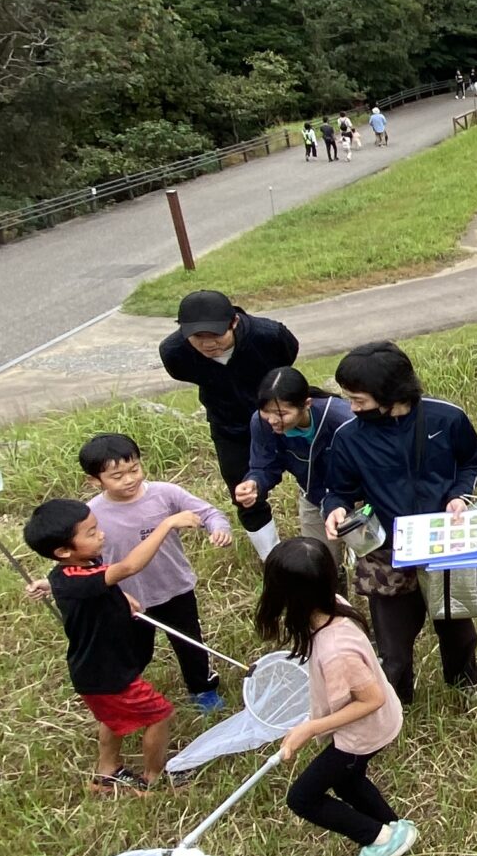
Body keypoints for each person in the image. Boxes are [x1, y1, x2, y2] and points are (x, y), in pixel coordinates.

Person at [319, 342, 477, 706]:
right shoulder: (349, 437)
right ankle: (395, 705)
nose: (352, 407)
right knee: (392, 643)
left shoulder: (447, 418)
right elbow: (339, 489)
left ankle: (465, 687)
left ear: (390, 393)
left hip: (445, 544)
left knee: (457, 627)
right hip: (386, 550)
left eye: (359, 399)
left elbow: (471, 461)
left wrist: (459, 495)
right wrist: (335, 508)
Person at [256, 538, 415, 856]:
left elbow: (369, 699)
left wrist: (312, 727)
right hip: (372, 722)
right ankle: (395, 828)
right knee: (348, 781)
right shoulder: (334, 606)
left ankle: (380, 839)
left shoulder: (336, 649)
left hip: (362, 732)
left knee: (303, 797)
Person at [25, 496, 205, 793]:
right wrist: (168, 523)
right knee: (160, 715)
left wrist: (120, 598)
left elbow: (86, 583)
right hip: (107, 672)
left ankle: (106, 772)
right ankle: (153, 779)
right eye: (92, 533)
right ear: (62, 551)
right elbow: (129, 567)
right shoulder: (78, 578)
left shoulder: (76, 568)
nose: (102, 535)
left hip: (96, 669)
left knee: (111, 717)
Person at [78, 433, 235, 712]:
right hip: (128, 598)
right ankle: (127, 695)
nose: (129, 479)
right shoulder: (91, 514)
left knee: (190, 643)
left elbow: (210, 513)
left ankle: (202, 689)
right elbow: (85, 560)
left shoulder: (165, 494)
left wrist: (219, 529)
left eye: (134, 469)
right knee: (135, 652)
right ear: (94, 481)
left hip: (175, 589)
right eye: (117, 476)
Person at [159, 289, 300, 554]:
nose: (208, 344)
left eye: (216, 334)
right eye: (198, 337)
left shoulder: (269, 336)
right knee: (245, 494)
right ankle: (271, 558)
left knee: (317, 475)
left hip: (281, 418)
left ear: (234, 322)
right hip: (230, 427)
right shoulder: (174, 352)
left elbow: (288, 359)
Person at [237, 365, 356, 551]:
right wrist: (254, 483)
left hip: (355, 497)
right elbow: (264, 466)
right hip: (313, 497)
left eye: (282, 414)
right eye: (266, 411)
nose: (272, 420)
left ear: (307, 404)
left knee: (367, 559)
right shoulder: (262, 423)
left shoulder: (342, 419)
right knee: (317, 560)